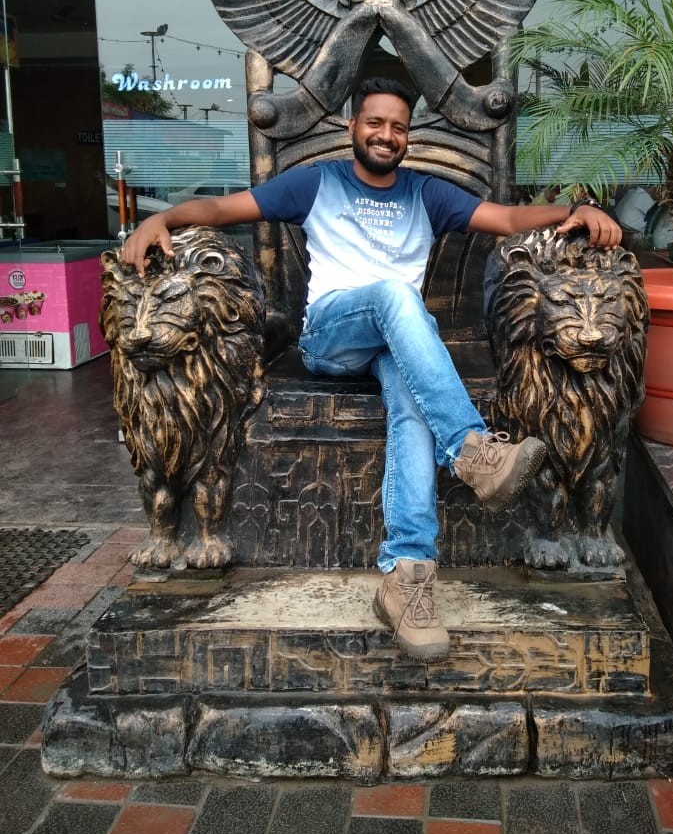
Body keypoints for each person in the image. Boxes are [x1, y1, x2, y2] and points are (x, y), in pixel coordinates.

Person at [122, 78, 622, 661]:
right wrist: (161, 220)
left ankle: (408, 576)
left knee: (411, 400)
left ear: (408, 137)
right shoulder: (317, 183)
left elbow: (510, 219)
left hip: (394, 340)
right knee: (394, 294)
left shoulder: (427, 194)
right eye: (375, 123)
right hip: (330, 337)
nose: (387, 135)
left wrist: (576, 210)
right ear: (353, 127)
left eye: (398, 127)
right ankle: (471, 448)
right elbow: (221, 208)